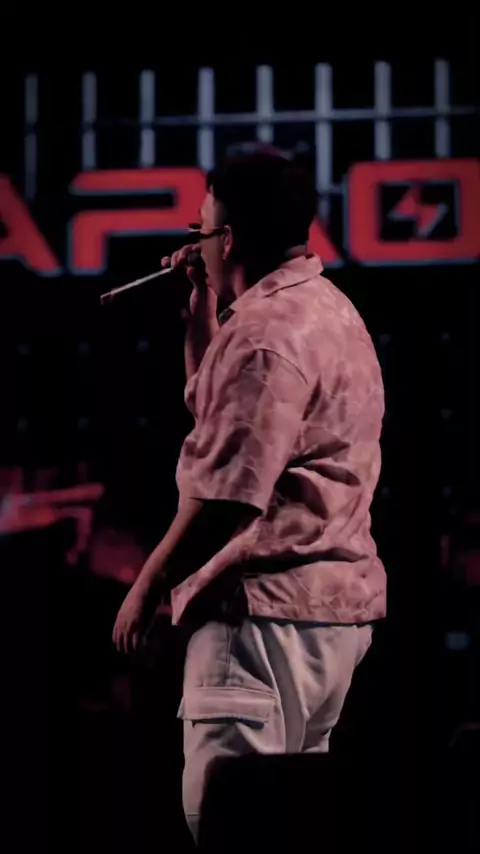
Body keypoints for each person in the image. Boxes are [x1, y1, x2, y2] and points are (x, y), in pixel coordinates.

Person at [113, 149, 386, 842]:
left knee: (230, 828)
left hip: (260, 624)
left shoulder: (265, 337)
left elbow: (230, 500)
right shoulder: (328, 310)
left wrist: (148, 588)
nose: (195, 243)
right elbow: (230, 414)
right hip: (323, 625)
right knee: (284, 829)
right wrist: (203, 312)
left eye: (200, 227)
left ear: (228, 237)